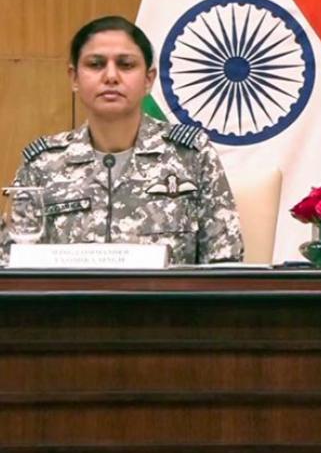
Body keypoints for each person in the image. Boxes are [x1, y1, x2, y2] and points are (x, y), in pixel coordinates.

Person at [0, 16, 243, 266]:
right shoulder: (43, 164)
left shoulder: (190, 154)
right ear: (74, 78)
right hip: (68, 294)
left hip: (166, 294)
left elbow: (225, 263)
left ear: (148, 79)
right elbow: (14, 264)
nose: (111, 76)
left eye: (126, 65)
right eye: (95, 64)